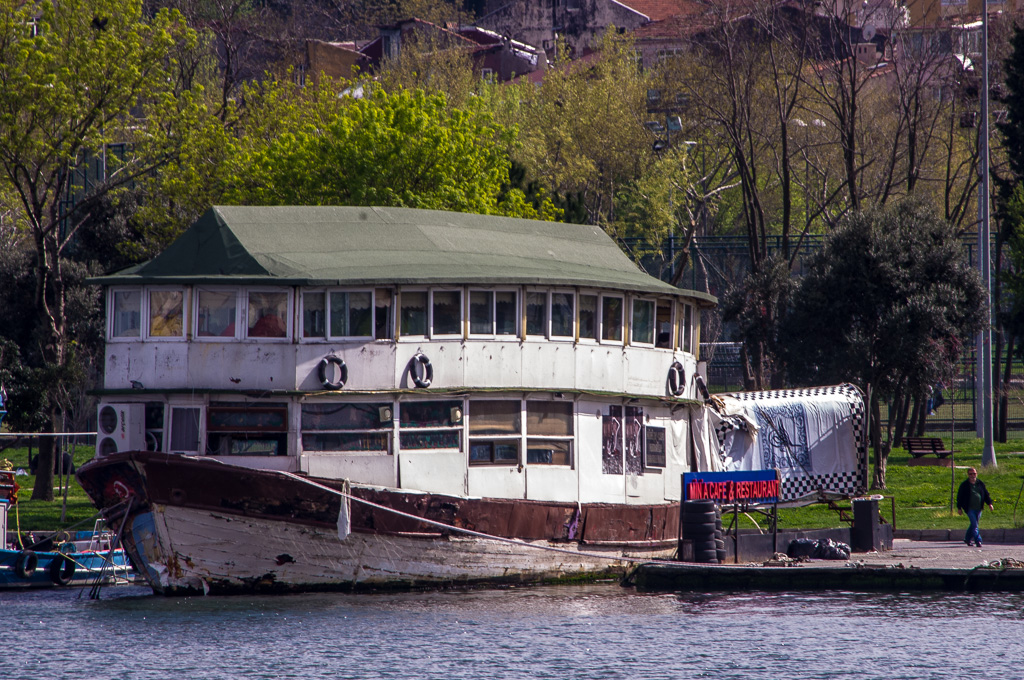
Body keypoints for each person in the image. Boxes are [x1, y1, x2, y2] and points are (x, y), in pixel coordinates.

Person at [956, 467, 994, 547]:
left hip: (979, 508)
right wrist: (959, 508)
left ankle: (967, 538)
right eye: (971, 474)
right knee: (975, 525)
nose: (973, 475)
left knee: (974, 525)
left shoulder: (980, 483)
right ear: (968, 475)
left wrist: (989, 504)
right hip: (970, 508)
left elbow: (986, 494)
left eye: (974, 473)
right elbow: (960, 496)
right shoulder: (965, 485)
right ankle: (978, 540)